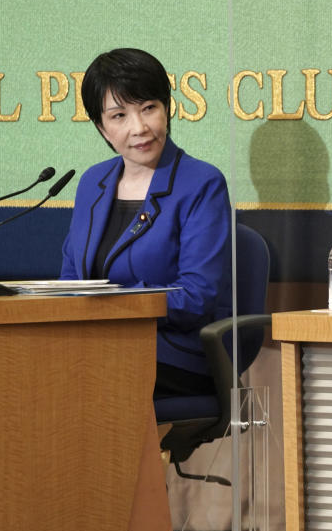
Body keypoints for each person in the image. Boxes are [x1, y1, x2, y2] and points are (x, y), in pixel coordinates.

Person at [60, 48, 232, 399]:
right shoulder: (94, 182)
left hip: (176, 350)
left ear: (167, 108)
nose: (139, 127)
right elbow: (70, 279)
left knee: (81, 374)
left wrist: (116, 306)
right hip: (100, 344)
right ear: (102, 128)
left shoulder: (201, 182)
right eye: (119, 115)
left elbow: (196, 298)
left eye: (149, 108)